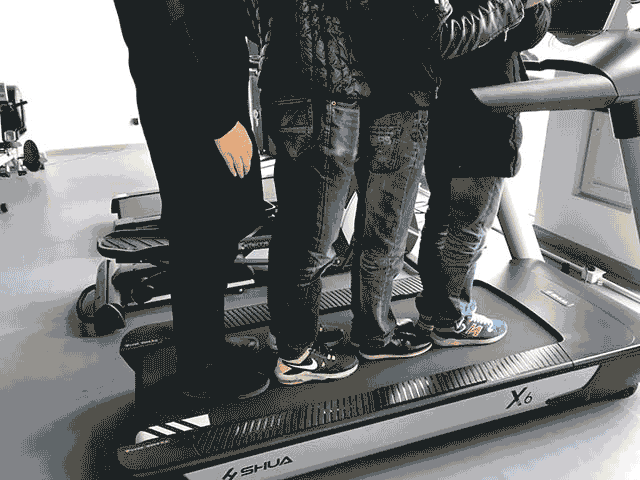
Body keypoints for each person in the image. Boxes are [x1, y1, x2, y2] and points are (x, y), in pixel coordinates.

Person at [254, 0, 530, 385]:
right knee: (334, 237)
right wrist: (511, 6)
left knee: (305, 229)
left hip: (322, 86)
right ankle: (323, 346)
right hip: (345, 92)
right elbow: (439, 37)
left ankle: (292, 334)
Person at [112, 1, 270, 399]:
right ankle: (201, 370)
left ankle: (209, 348)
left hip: (203, 104)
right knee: (201, 236)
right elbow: (168, 35)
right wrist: (220, 120)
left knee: (218, 235)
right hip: (194, 113)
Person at [413, 0, 553, 346]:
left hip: (443, 108)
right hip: (485, 113)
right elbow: (526, 36)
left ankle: (433, 311)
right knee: (467, 228)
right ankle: (452, 320)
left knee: (441, 218)